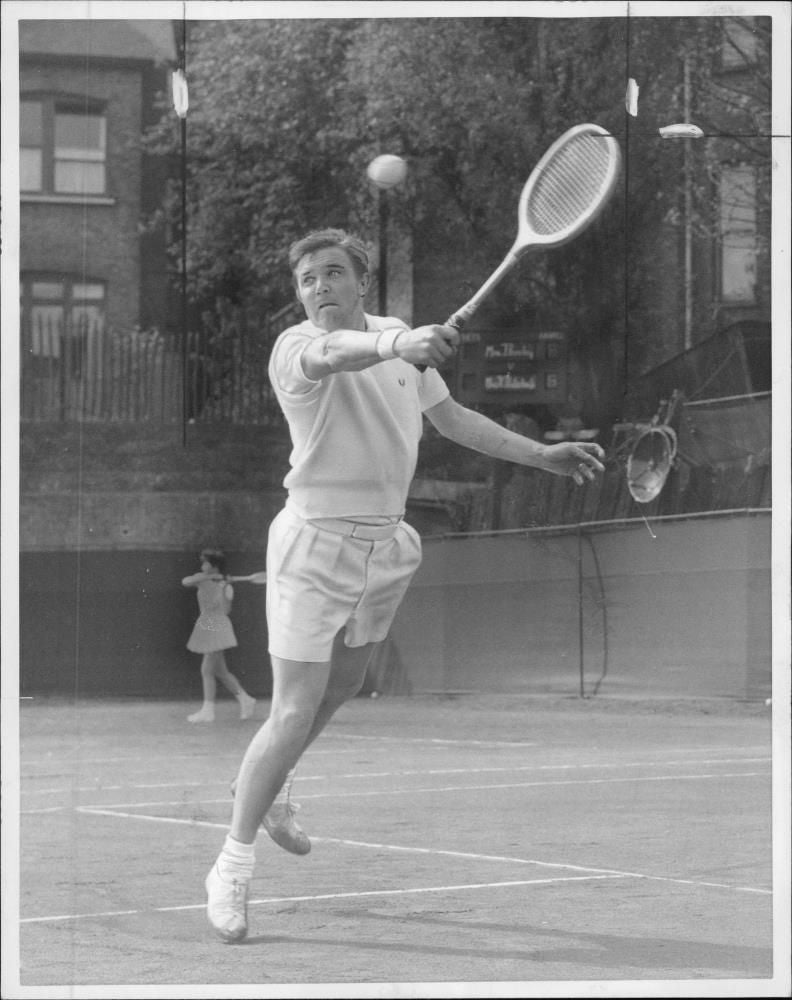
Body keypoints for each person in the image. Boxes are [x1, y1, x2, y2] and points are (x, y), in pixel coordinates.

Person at [204, 227, 605, 942]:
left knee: (343, 687)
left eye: (333, 274)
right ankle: (232, 866)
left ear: (362, 283)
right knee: (293, 709)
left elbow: (451, 420)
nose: (319, 288)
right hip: (313, 543)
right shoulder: (297, 348)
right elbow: (335, 354)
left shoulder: (397, 339)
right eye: (306, 280)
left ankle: (265, 790)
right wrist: (399, 345)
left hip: (386, 547)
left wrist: (541, 455)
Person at [183, 548, 256, 723]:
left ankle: (208, 711)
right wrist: (209, 578)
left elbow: (225, 610)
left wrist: (224, 588)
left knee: (206, 670)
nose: (202, 565)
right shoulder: (201, 578)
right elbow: (186, 581)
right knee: (221, 672)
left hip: (218, 625)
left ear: (214, 565)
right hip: (206, 624)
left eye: (205, 562)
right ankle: (246, 699)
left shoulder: (226, 585)